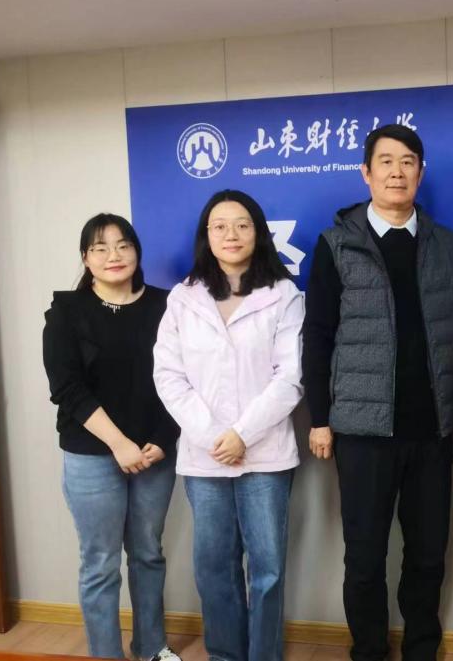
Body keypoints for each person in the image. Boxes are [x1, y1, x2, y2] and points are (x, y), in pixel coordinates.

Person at [302, 124, 453, 661]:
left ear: (420, 172)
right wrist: (320, 417)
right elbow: (319, 334)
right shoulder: (337, 244)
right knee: (365, 557)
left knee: (428, 555)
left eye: (408, 162)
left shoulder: (442, 243)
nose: (397, 172)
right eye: (386, 161)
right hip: (362, 433)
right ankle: (369, 651)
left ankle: (422, 649)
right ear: (366, 172)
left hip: (431, 429)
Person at [152, 189, 303, 661]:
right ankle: (224, 656)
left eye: (242, 224)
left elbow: (291, 377)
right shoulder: (184, 298)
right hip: (205, 457)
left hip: (266, 455)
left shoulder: (283, 294)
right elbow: (168, 375)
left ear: (258, 233)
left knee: (267, 570)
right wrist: (214, 437)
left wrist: (242, 434)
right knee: (214, 568)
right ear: (206, 235)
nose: (231, 234)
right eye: (219, 226)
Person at [42, 213, 181, 661]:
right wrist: (119, 443)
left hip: (154, 452)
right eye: (99, 248)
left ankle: (151, 647)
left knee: (148, 554)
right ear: (86, 258)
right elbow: (66, 388)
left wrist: (163, 438)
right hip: (92, 454)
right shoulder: (66, 312)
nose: (113, 256)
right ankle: (106, 654)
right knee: (100, 563)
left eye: (123, 245)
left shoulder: (167, 306)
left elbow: (185, 379)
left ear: (137, 251)